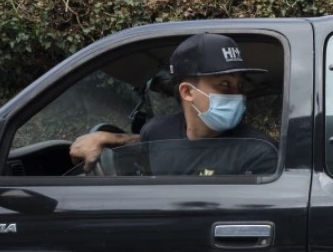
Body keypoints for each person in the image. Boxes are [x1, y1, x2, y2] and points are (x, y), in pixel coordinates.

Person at [70, 33, 277, 176]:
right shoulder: (158, 131)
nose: (237, 95)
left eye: (240, 85)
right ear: (187, 92)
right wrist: (106, 138)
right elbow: (148, 145)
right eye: (225, 84)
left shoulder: (258, 151)